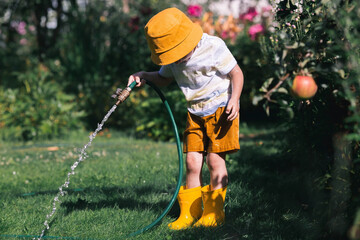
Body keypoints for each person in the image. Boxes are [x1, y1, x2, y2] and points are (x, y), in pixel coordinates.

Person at [127, 7, 244, 230]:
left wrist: (235, 99)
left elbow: (236, 73)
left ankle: (214, 213)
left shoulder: (213, 47)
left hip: (221, 110)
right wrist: (143, 75)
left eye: (178, 54)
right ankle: (190, 213)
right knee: (192, 163)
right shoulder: (173, 58)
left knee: (214, 161)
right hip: (195, 112)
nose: (176, 60)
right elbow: (163, 78)